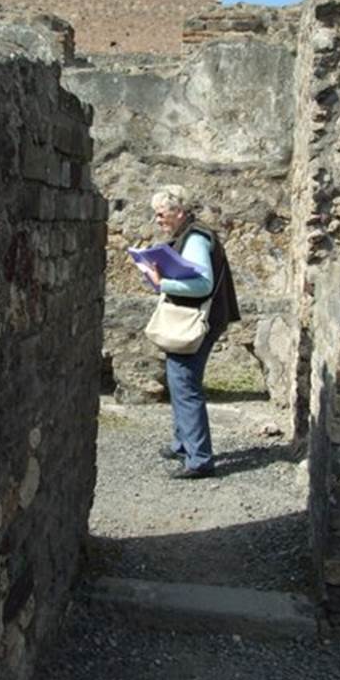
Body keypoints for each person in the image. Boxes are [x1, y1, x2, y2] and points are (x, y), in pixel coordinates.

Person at [144, 185, 240, 479]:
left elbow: (202, 285)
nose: (158, 219)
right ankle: (183, 443)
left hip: (198, 320)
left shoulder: (196, 239)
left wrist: (162, 283)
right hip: (199, 317)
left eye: (161, 214)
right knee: (180, 379)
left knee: (184, 383)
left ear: (179, 212)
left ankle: (199, 459)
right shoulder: (190, 234)